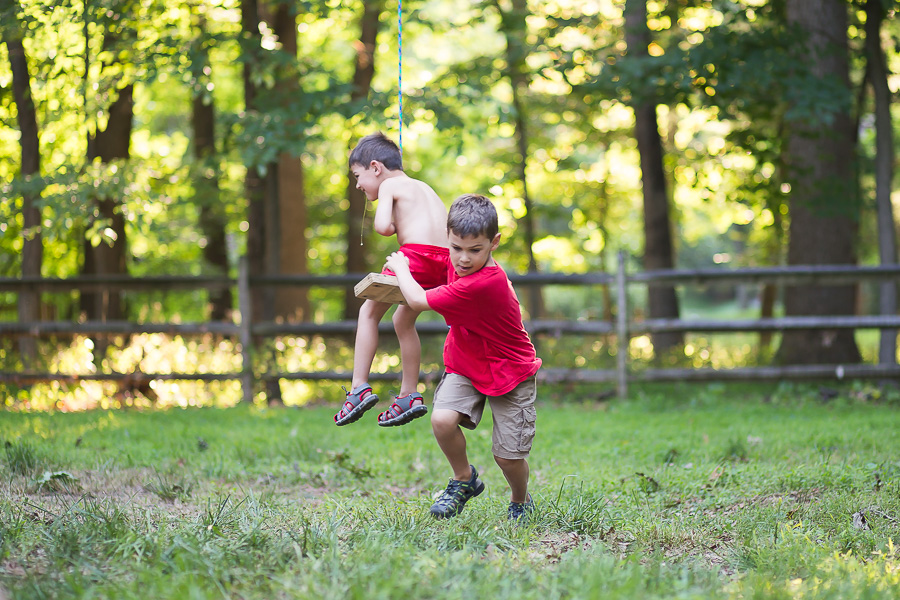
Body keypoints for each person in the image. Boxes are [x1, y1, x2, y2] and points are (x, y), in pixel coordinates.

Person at [384, 193, 541, 522]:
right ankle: (463, 479)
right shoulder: (454, 260)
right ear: (449, 238)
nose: (464, 259)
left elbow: (417, 300)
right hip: (466, 364)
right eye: (456, 248)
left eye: (475, 250)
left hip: (509, 370)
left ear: (494, 243)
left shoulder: (484, 284)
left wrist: (401, 266)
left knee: (508, 457)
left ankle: (520, 501)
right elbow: (433, 261)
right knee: (442, 420)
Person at [334, 132, 450, 428]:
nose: (358, 184)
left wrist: (387, 214)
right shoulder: (425, 187)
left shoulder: (389, 185)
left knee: (368, 312)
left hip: (417, 256)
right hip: (445, 261)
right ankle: (409, 394)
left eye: (358, 175)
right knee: (403, 321)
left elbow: (384, 227)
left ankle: (358, 386)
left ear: (376, 167)